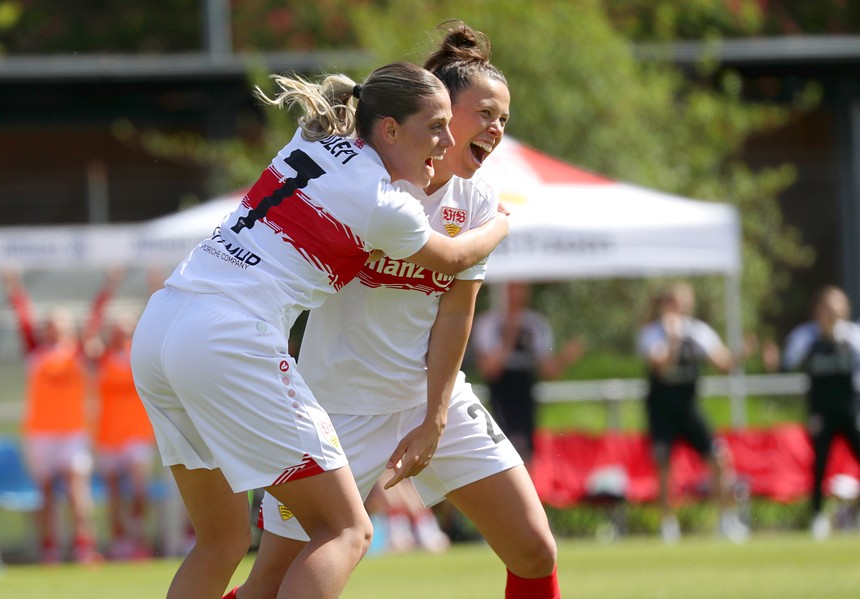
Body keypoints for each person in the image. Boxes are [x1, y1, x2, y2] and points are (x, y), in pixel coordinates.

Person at [130, 60, 509, 599]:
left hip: (162, 324)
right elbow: (452, 258)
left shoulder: (316, 140)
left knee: (221, 541)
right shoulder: (386, 205)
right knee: (346, 530)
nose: (447, 142)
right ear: (390, 129)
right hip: (227, 337)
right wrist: (500, 224)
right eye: (435, 127)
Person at [230, 22, 560, 599]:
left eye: (504, 119)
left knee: (535, 550)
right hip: (337, 410)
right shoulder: (369, 179)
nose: (496, 128)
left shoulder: (477, 198)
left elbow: (456, 313)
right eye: (485, 113)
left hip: (428, 399)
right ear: (440, 109)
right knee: (269, 582)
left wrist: (435, 416)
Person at [3, 269, 116, 564]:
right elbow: (23, 319)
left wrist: (108, 286)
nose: (54, 329)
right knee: (45, 494)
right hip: (40, 432)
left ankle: (84, 546)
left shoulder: (77, 353)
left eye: (59, 324)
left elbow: (94, 320)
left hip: (72, 433)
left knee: (78, 491)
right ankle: (50, 548)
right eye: (50, 324)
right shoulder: (35, 352)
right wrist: (14, 287)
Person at [637, 281, 749, 544]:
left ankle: (726, 520)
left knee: (718, 457)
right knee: (664, 465)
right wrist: (673, 339)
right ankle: (667, 524)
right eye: (678, 303)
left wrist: (742, 354)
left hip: (688, 408)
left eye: (687, 303)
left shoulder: (698, 332)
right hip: (661, 409)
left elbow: (724, 364)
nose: (683, 308)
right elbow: (662, 368)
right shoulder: (652, 334)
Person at [775, 285, 860, 540]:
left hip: (850, 411)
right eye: (828, 306)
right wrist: (775, 362)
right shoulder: (807, 336)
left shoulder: (852, 336)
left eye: (838, 306)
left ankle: (852, 513)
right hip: (821, 412)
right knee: (820, 465)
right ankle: (817, 516)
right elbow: (786, 365)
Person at [473, 280, 584, 466]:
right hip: (501, 391)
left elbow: (548, 370)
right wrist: (510, 333)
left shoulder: (536, 324)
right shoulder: (489, 323)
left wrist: (565, 357)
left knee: (527, 449)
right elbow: (490, 369)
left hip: (525, 389)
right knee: (501, 447)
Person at [91, 307, 158, 560]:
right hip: (109, 435)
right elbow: (90, 331)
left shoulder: (139, 355)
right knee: (113, 494)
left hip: (137, 433)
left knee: (139, 490)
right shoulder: (102, 357)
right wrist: (107, 294)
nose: (122, 333)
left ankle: (137, 536)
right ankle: (119, 540)